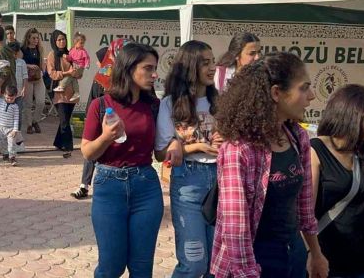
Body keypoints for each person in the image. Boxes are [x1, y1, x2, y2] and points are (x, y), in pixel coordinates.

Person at [210, 52, 328, 278]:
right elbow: (236, 228)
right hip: (254, 259)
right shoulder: (240, 149)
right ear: (276, 93)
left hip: (293, 253)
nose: (312, 96)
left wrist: (315, 252)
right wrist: (248, 273)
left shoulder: (298, 137)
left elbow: (304, 206)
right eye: (304, 88)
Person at [81, 43, 165, 277]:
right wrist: (106, 138)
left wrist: (177, 143)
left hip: (146, 187)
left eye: (155, 68)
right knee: (111, 267)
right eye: (148, 68)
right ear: (128, 69)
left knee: (141, 268)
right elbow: (87, 152)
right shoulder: (101, 105)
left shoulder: (154, 106)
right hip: (109, 188)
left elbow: (159, 153)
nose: (154, 74)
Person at [155, 40, 219, 277]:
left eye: (213, 61)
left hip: (222, 183)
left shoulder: (221, 102)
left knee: (217, 265)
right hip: (188, 183)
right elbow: (161, 152)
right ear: (190, 67)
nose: (212, 67)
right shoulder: (169, 104)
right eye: (205, 63)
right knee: (194, 264)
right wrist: (195, 147)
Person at [311, 84, 364, 278]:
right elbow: (304, 213)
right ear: (357, 115)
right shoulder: (315, 150)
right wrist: (313, 254)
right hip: (327, 265)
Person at [71, 46, 109, 200]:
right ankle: (84, 186)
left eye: (99, 61)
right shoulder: (98, 78)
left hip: (112, 121)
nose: (97, 64)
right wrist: (89, 119)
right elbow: (92, 100)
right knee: (90, 152)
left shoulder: (119, 79)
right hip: (98, 119)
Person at [47, 30, 82, 158]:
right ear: (55, 41)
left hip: (71, 92)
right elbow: (52, 74)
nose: (62, 42)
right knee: (64, 121)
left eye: (64, 39)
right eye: (59, 40)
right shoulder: (52, 55)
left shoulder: (72, 54)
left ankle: (58, 142)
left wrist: (77, 71)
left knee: (65, 119)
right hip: (58, 92)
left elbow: (79, 74)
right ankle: (68, 146)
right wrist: (67, 73)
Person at [53, 32, 90, 102]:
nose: (82, 45)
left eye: (83, 43)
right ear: (75, 42)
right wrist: (66, 56)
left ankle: (62, 85)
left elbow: (87, 58)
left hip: (80, 67)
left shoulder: (83, 51)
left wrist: (87, 65)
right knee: (73, 78)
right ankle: (76, 92)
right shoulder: (72, 50)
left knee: (70, 75)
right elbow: (70, 58)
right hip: (74, 65)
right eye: (81, 43)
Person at [21, 28, 45, 135]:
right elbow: (19, 62)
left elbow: (42, 63)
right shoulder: (23, 49)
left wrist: (43, 70)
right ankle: (29, 124)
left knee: (41, 102)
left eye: (37, 38)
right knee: (28, 103)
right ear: (28, 38)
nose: (36, 40)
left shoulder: (40, 49)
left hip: (38, 77)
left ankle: (35, 121)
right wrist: (28, 65)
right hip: (27, 78)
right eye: (33, 38)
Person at [0, 84, 23, 166]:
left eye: (12, 98)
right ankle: (5, 154)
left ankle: (12, 157)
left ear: (15, 96)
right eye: (7, 98)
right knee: (1, 143)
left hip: (10, 129)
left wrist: (15, 130)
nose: (9, 100)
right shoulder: (0, 101)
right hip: (1, 128)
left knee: (11, 143)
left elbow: (16, 118)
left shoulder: (15, 107)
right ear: (4, 95)